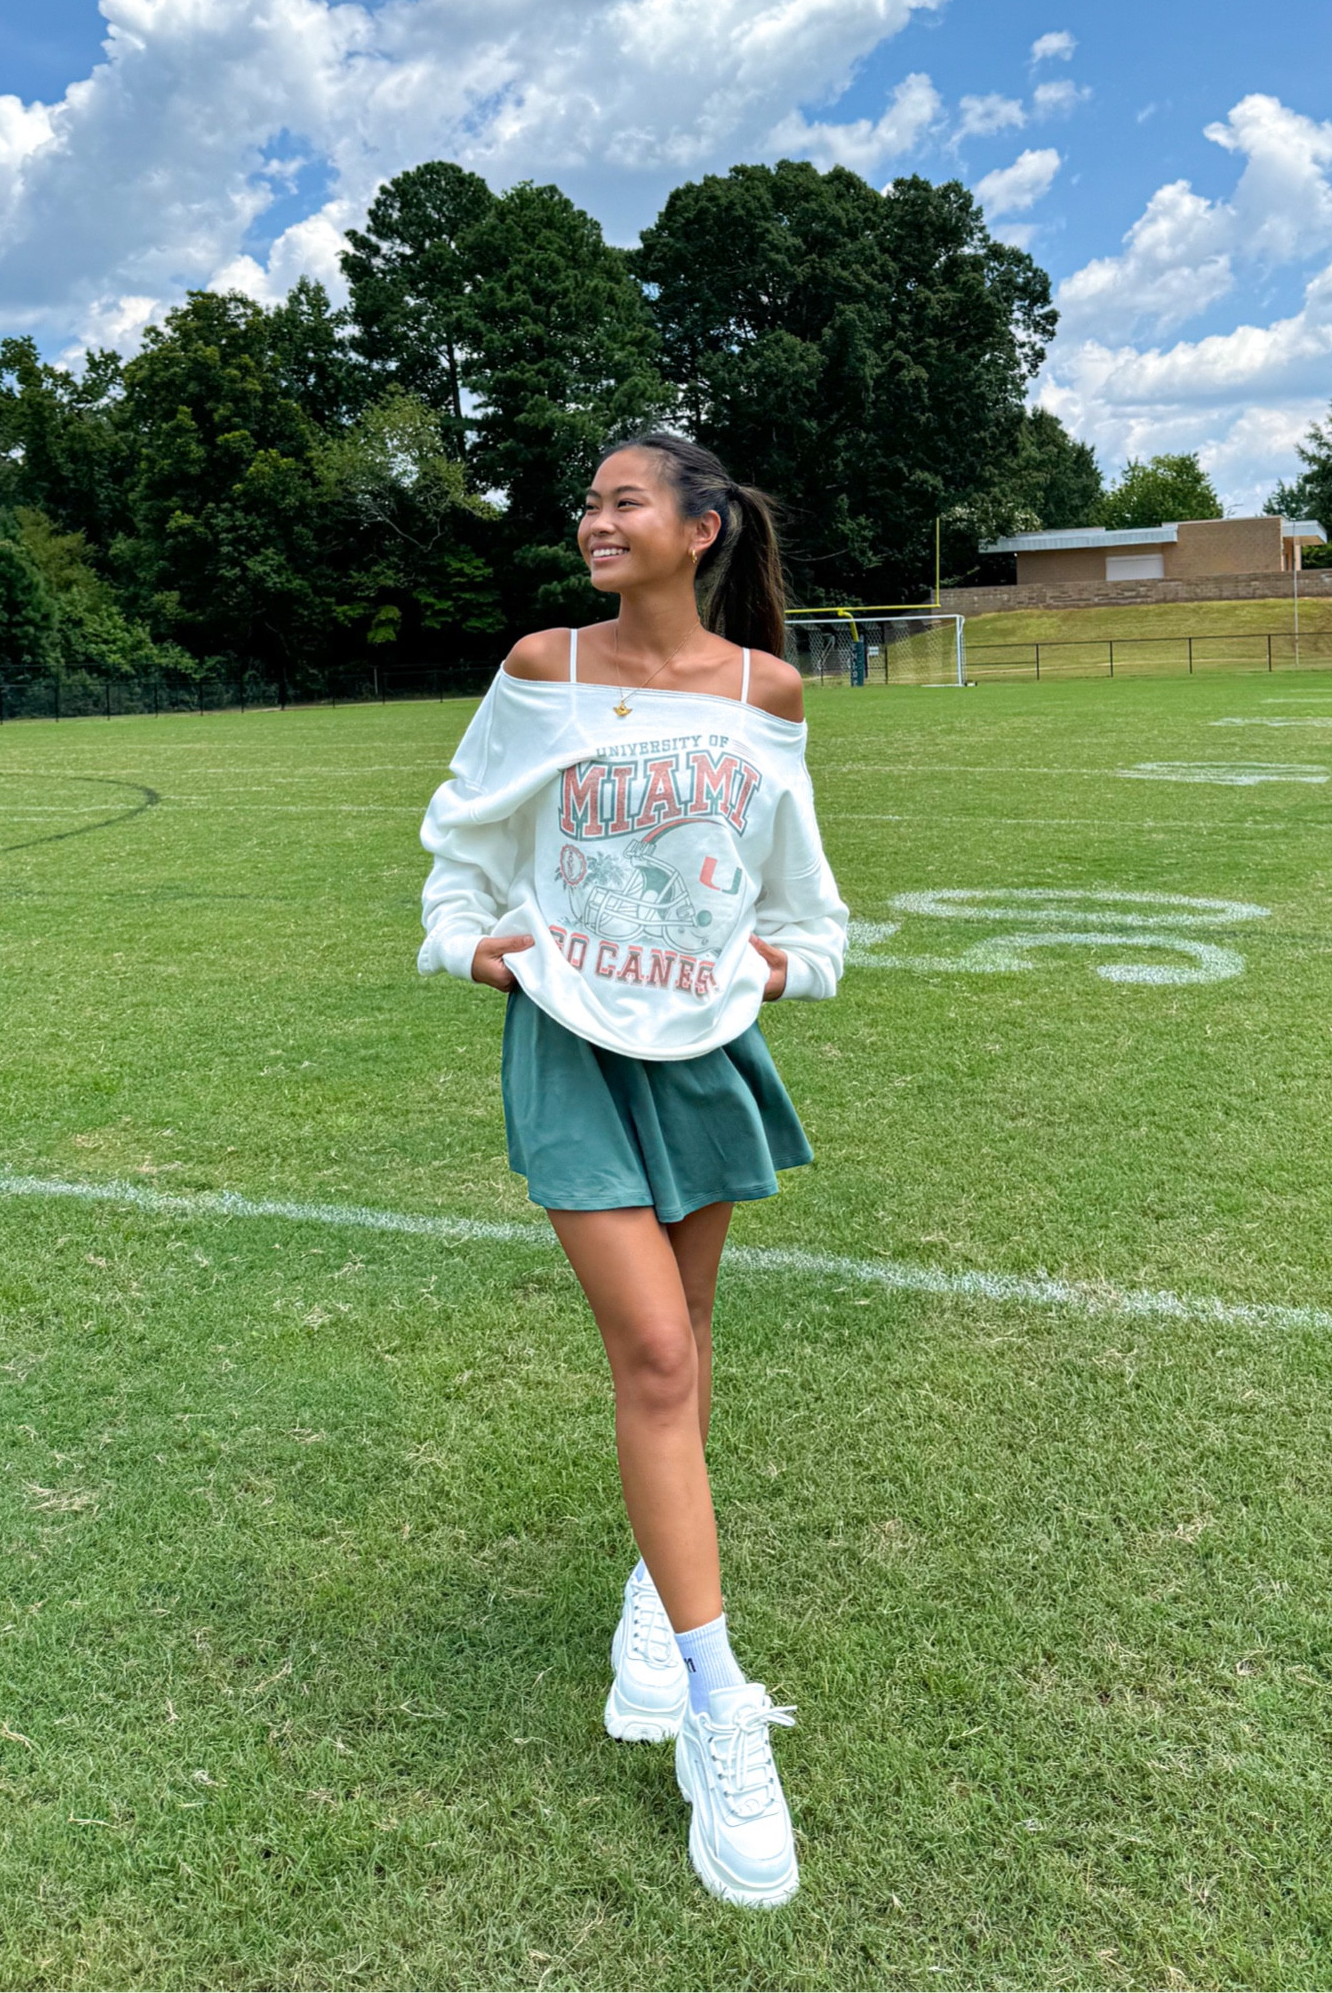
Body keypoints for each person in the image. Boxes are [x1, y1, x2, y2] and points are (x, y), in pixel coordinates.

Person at [417, 432, 847, 1909]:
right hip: (573, 1044)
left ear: (701, 528)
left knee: (689, 1347)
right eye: (589, 502)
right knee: (656, 1353)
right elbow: (462, 835)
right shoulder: (544, 663)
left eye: (623, 499)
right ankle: (722, 1706)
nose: (593, 519)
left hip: (708, 1047)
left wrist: (799, 966)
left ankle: (656, 1606)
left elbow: (796, 883)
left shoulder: (768, 692)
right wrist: (459, 936)